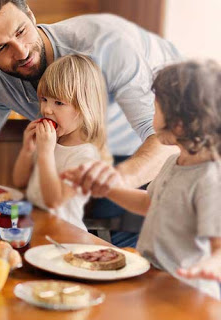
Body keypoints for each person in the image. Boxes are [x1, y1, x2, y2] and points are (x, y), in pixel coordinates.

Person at [0, 0, 181, 246]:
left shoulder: (107, 46)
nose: (21, 52)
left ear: (30, 14)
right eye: (0, 48)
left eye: (21, 32)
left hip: (168, 155)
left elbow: (168, 142)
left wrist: (114, 183)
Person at [63, 60, 221, 299]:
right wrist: (107, 189)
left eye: (156, 108)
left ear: (178, 123)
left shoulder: (210, 179)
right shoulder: (174, 162)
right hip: (155, 279)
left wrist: (209, 266)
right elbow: (150, 204)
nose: (152, 115)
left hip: (188, 291)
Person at [12, 54, 108, 230]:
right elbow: (20, 182)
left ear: (83, 107)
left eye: (58, 103)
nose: (47, 109)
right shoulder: (49, 141)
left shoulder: (85, 156)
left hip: (65, 236)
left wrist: (45, 153)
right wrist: (27, 149)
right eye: (44, 99)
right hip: (37, 226)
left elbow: (54, 201)